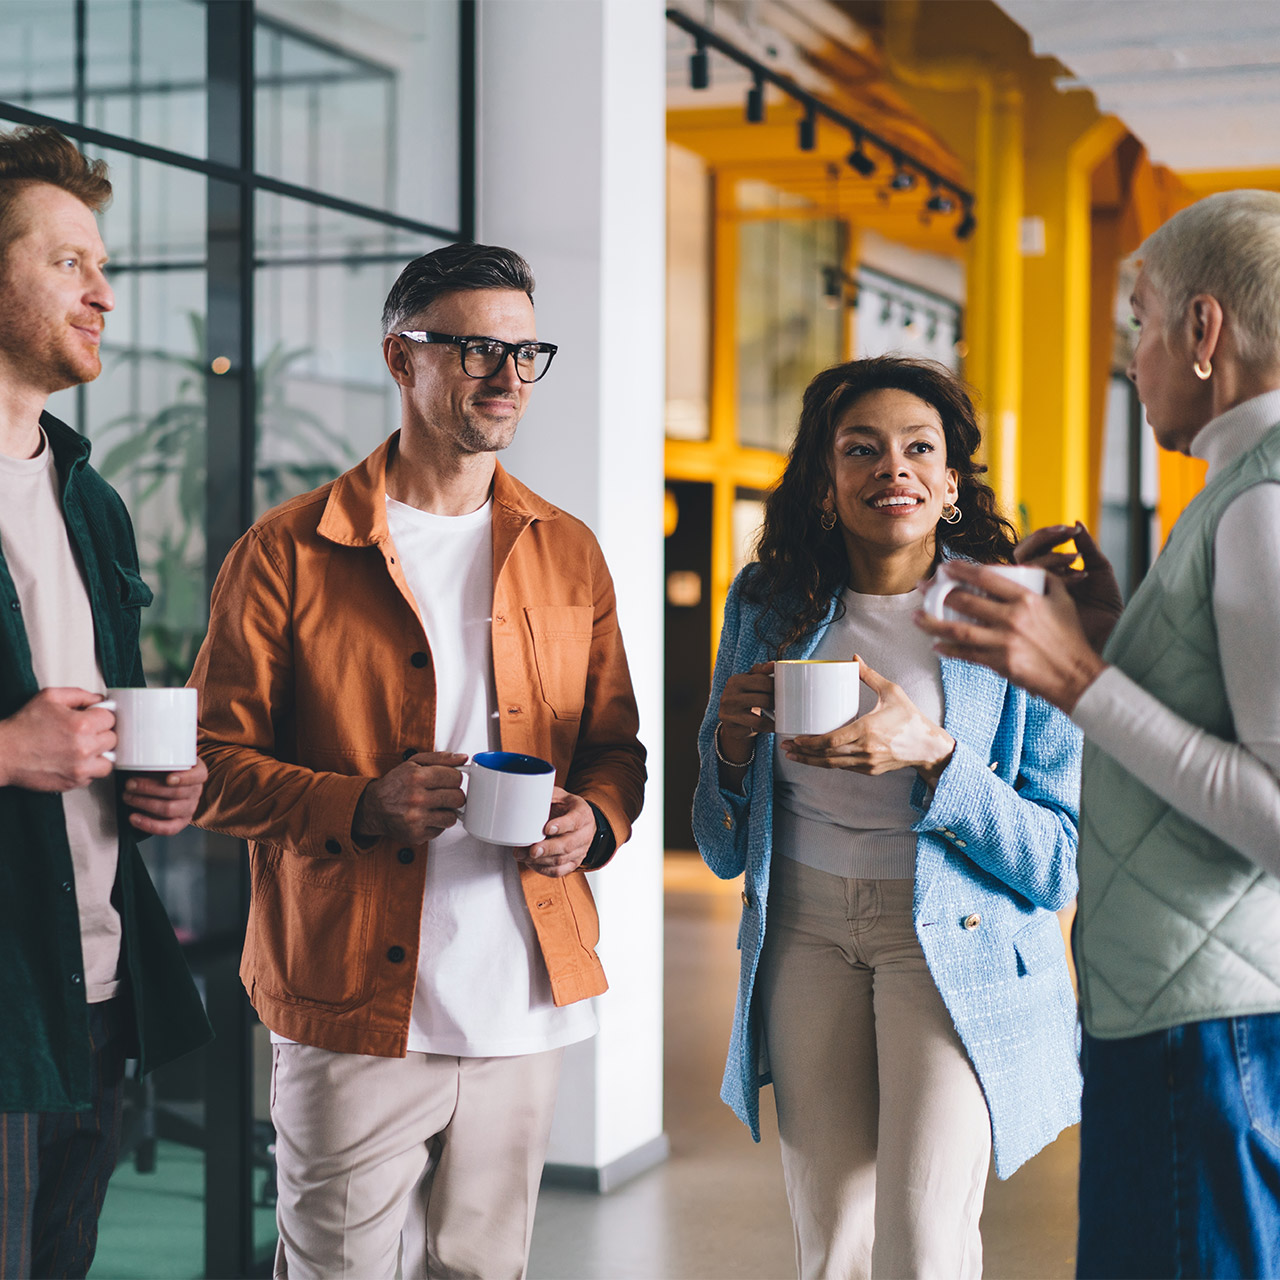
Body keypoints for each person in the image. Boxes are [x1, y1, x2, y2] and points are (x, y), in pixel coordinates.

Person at [188, 242, 646, 1279]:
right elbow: (212, 763)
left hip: (523, 998)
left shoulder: (567, 548)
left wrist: (598, 820)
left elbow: (616, 747)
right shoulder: (288, 549)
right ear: (403, 358)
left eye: (527, 353)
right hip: (350, 1002)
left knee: (484, 1270)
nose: (507, 378)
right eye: (478, 347)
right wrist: (361, 801)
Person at [917, 190, 1280, 1279]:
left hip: (1199, 1022)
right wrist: (1120, 635)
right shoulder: (1231, 493)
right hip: (1184, 1008)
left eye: (1140, 320)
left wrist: (1076, 675)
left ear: (1202, 330)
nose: (1132, 356)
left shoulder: (1260, 502)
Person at [693, 355, 1082, 1280]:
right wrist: (732, 748)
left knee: (924, 1244)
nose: (891, 469)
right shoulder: (767, 606)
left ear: (950, 483)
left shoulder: (1017, 614)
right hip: (803, 931)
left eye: (918, 449)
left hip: (955, 939)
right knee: (829, 1244)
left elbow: (1059, 859)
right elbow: (717, 841)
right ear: (826, 481)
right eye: (860, 449)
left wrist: (937, 757)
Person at [0, 126, 212, 1279]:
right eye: (68, 261)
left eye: (102, 263)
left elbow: (89, 721)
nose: (105, 294)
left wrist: (157, 774)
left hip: (96, 986)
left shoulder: (96, 502)